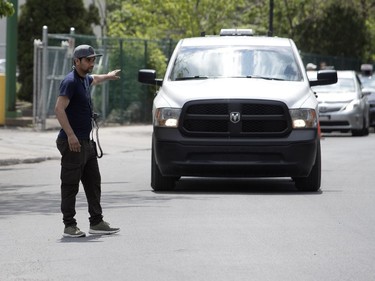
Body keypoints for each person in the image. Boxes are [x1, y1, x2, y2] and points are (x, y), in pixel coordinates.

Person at [55, 44, 121, 238]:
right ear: (77, 61)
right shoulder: (70, 82)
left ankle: (97, 222)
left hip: (86, 142)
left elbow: (95, 79)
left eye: (94, 59)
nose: (92, 63)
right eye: (89, 60)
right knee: (70, 185)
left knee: (93, 183)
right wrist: (71, 135)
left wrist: (108, 76)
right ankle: (69, 225)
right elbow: (59, 109)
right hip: (73, 143)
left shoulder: (84, 79)